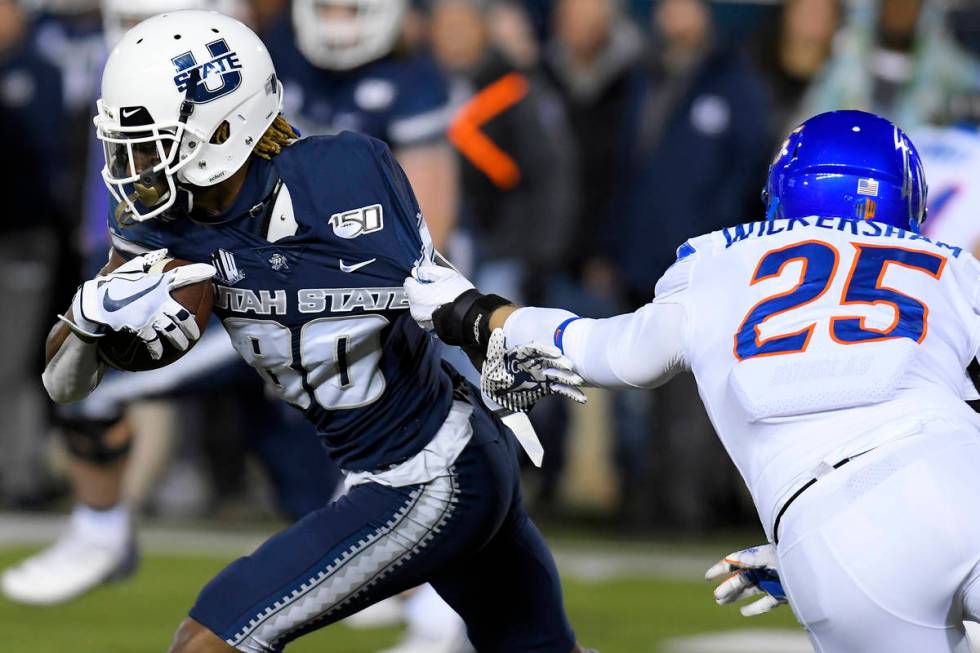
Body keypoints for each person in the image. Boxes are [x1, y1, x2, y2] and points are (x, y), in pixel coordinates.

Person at [42, 10, 591, 653]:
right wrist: (88, 318)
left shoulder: (339, 173)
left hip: (430, 466)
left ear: (222, 125)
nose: (134, 163)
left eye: (151, 139)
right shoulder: (164, 226)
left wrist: (512, 338)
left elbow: (436, 291)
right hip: (416, 461)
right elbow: (64, 385)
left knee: (208, 641)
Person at [406, 109, 980, 652]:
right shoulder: (952, 265)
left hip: (835, 527)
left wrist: (477, 313)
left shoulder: (719, 260)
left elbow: (610, 354)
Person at [2, 0, 338, 609]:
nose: (135, 43)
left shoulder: (260, 122)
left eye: (149, 25)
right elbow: (129, 223)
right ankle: (99, 530)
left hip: (271, 301)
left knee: (338, 477)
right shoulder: (123, 122)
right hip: (222, 300)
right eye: (128, 24)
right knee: (304, 474)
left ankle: (100, 532)